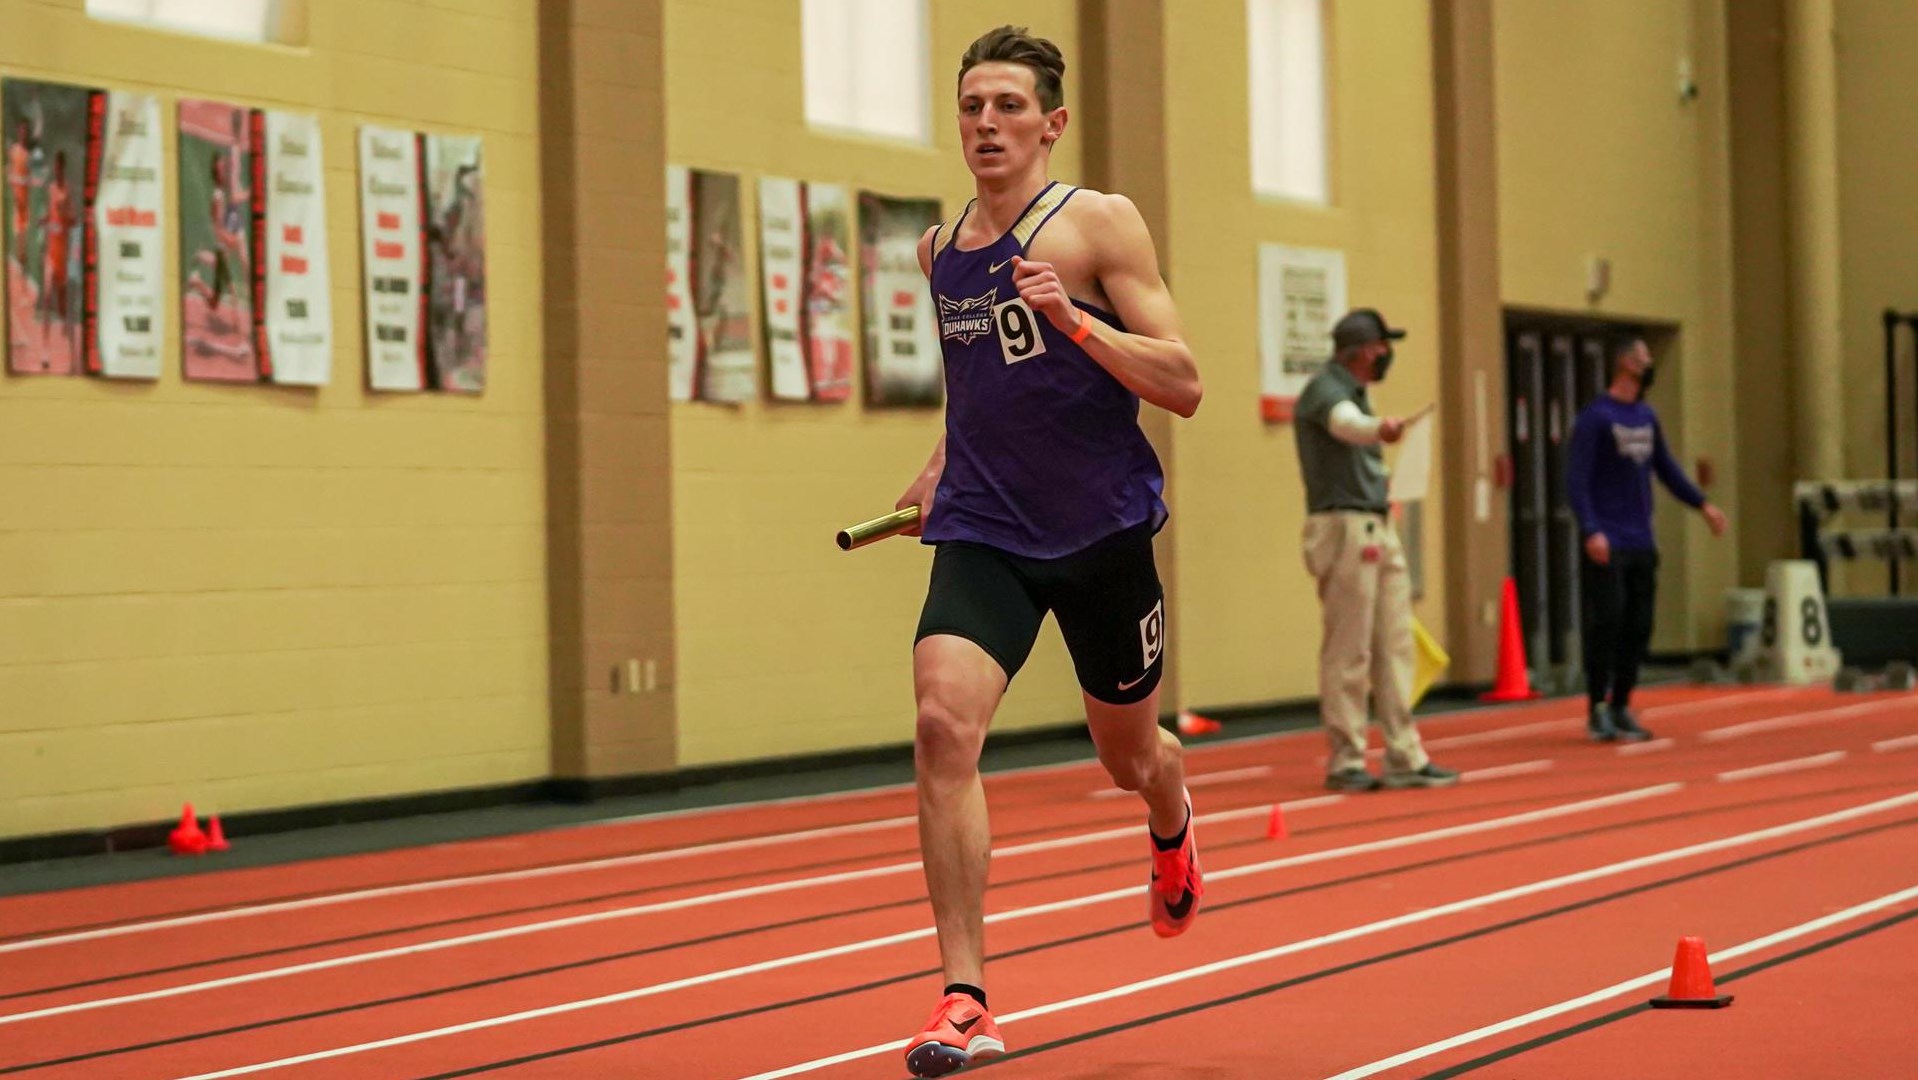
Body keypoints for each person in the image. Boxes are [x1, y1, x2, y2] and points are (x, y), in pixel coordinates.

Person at [891, 25, 1203, 1077]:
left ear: (1050, 124)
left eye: (1008, 106)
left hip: (1102, 532)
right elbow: (978, 386)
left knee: (1126, 758)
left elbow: (1183, 382)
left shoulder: (1097, 225)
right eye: (972, 105)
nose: (986, 123)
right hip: (985, 526)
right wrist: (942, 459)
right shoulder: (940, 254)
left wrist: (1074, 322)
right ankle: (965, 996)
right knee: (941, 722)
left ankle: (1169, 807)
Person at [1294, 309, 1458, 793]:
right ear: (1366, 349)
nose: (1388, 355)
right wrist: (1380, 429)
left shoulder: (1354, 392)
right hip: (1345, 526)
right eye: (1384, 346)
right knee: (1350, 647)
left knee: (1394, 644)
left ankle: (1405, 751)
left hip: (1372, 522)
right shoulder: (1326, 390)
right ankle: (1346, 757)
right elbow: (1347, 425)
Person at [1566, 336, 1726, 741]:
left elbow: (1667, 469)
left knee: (1639, 625)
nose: (1648, 363)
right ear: (1623, 363)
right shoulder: (1596, 417)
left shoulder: (1647, 417)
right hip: (1608, 539)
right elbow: (1577, 480)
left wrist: (1702, 505)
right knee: (1608, 621)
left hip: (1641, 538)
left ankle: (1622, 702)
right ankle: (1596, 706)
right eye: (1642, 358)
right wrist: (1591, 528)